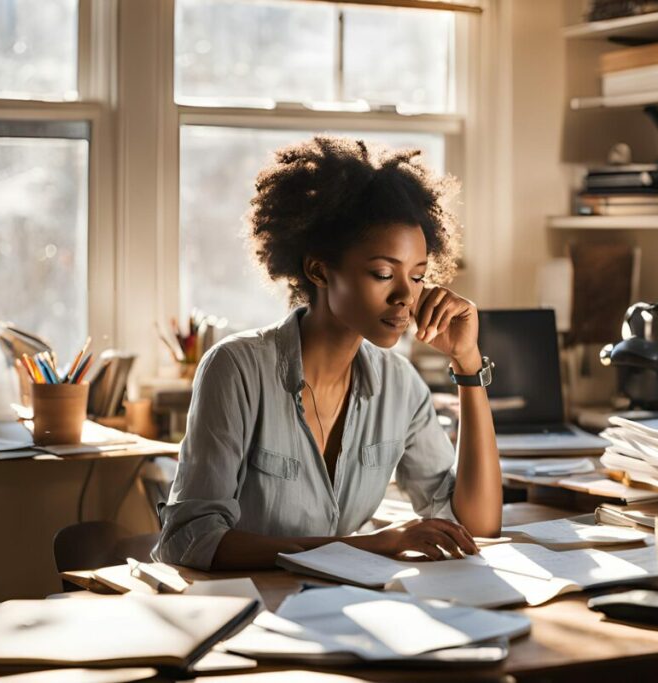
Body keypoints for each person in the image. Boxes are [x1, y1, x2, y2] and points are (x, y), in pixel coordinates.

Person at [153, 136, 501, 570]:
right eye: (382, 273)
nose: (404, 297)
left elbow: (478, 524)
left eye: (416, 277)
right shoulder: (237, 368)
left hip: (334, 612)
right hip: (242, 613)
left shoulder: (401, 385)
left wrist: (467, 366)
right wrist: (374, 545)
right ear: (319, 269)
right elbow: (190, 540)